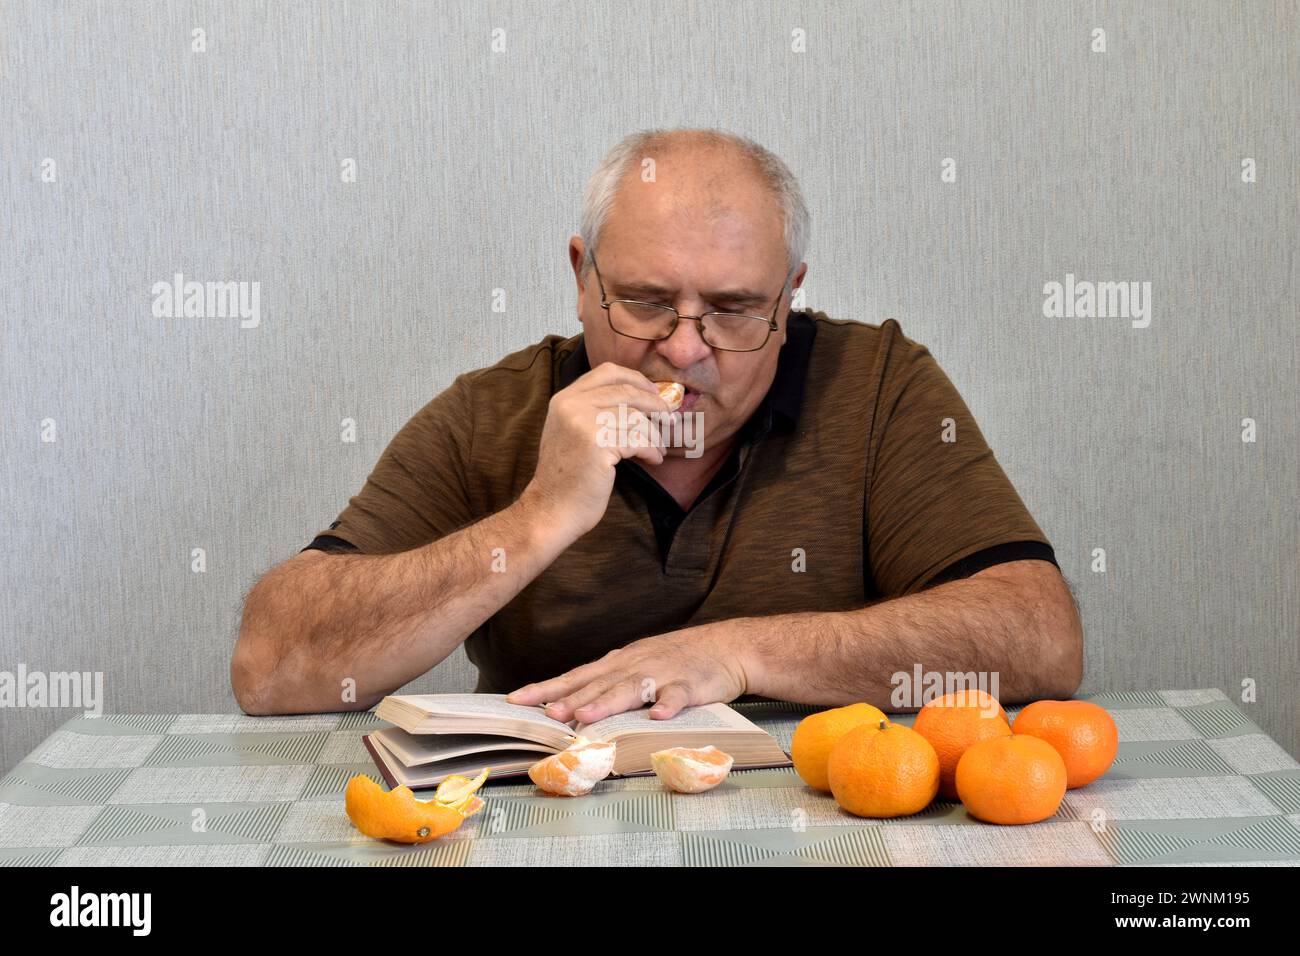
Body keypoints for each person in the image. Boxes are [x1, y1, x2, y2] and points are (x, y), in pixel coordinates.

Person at [231, 127, 1082, 721]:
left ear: (791, 295)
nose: (684, 351)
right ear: (581, 275)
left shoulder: (880, 385)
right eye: (643, 303)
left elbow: (1038, 636)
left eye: (735, 309)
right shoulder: (490, 413)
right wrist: (539, 517)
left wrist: (740, 654)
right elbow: (270, 666)